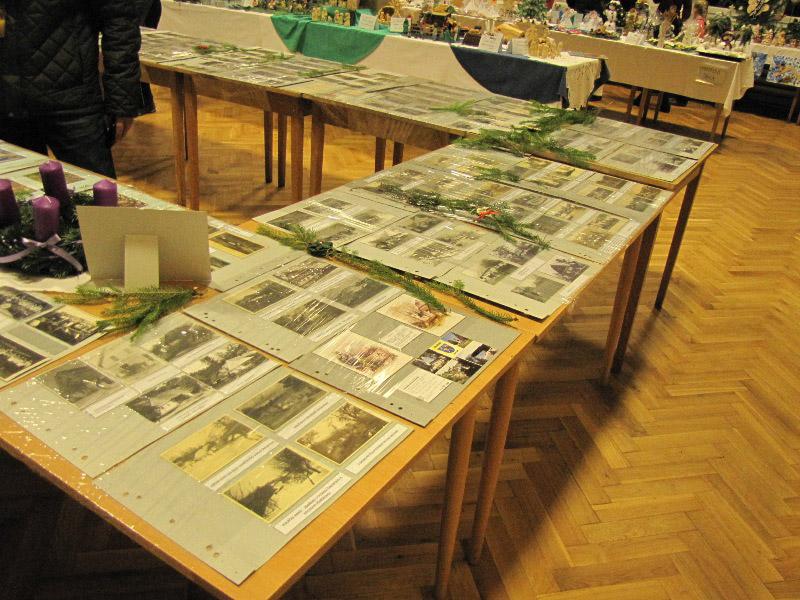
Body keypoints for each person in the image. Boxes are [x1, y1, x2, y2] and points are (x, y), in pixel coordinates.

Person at [0, 1, 148, 178]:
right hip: (8, 101)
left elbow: (120, 22)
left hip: (72, 101)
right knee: (16, 193)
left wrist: (121, 102)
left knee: (96, 191)